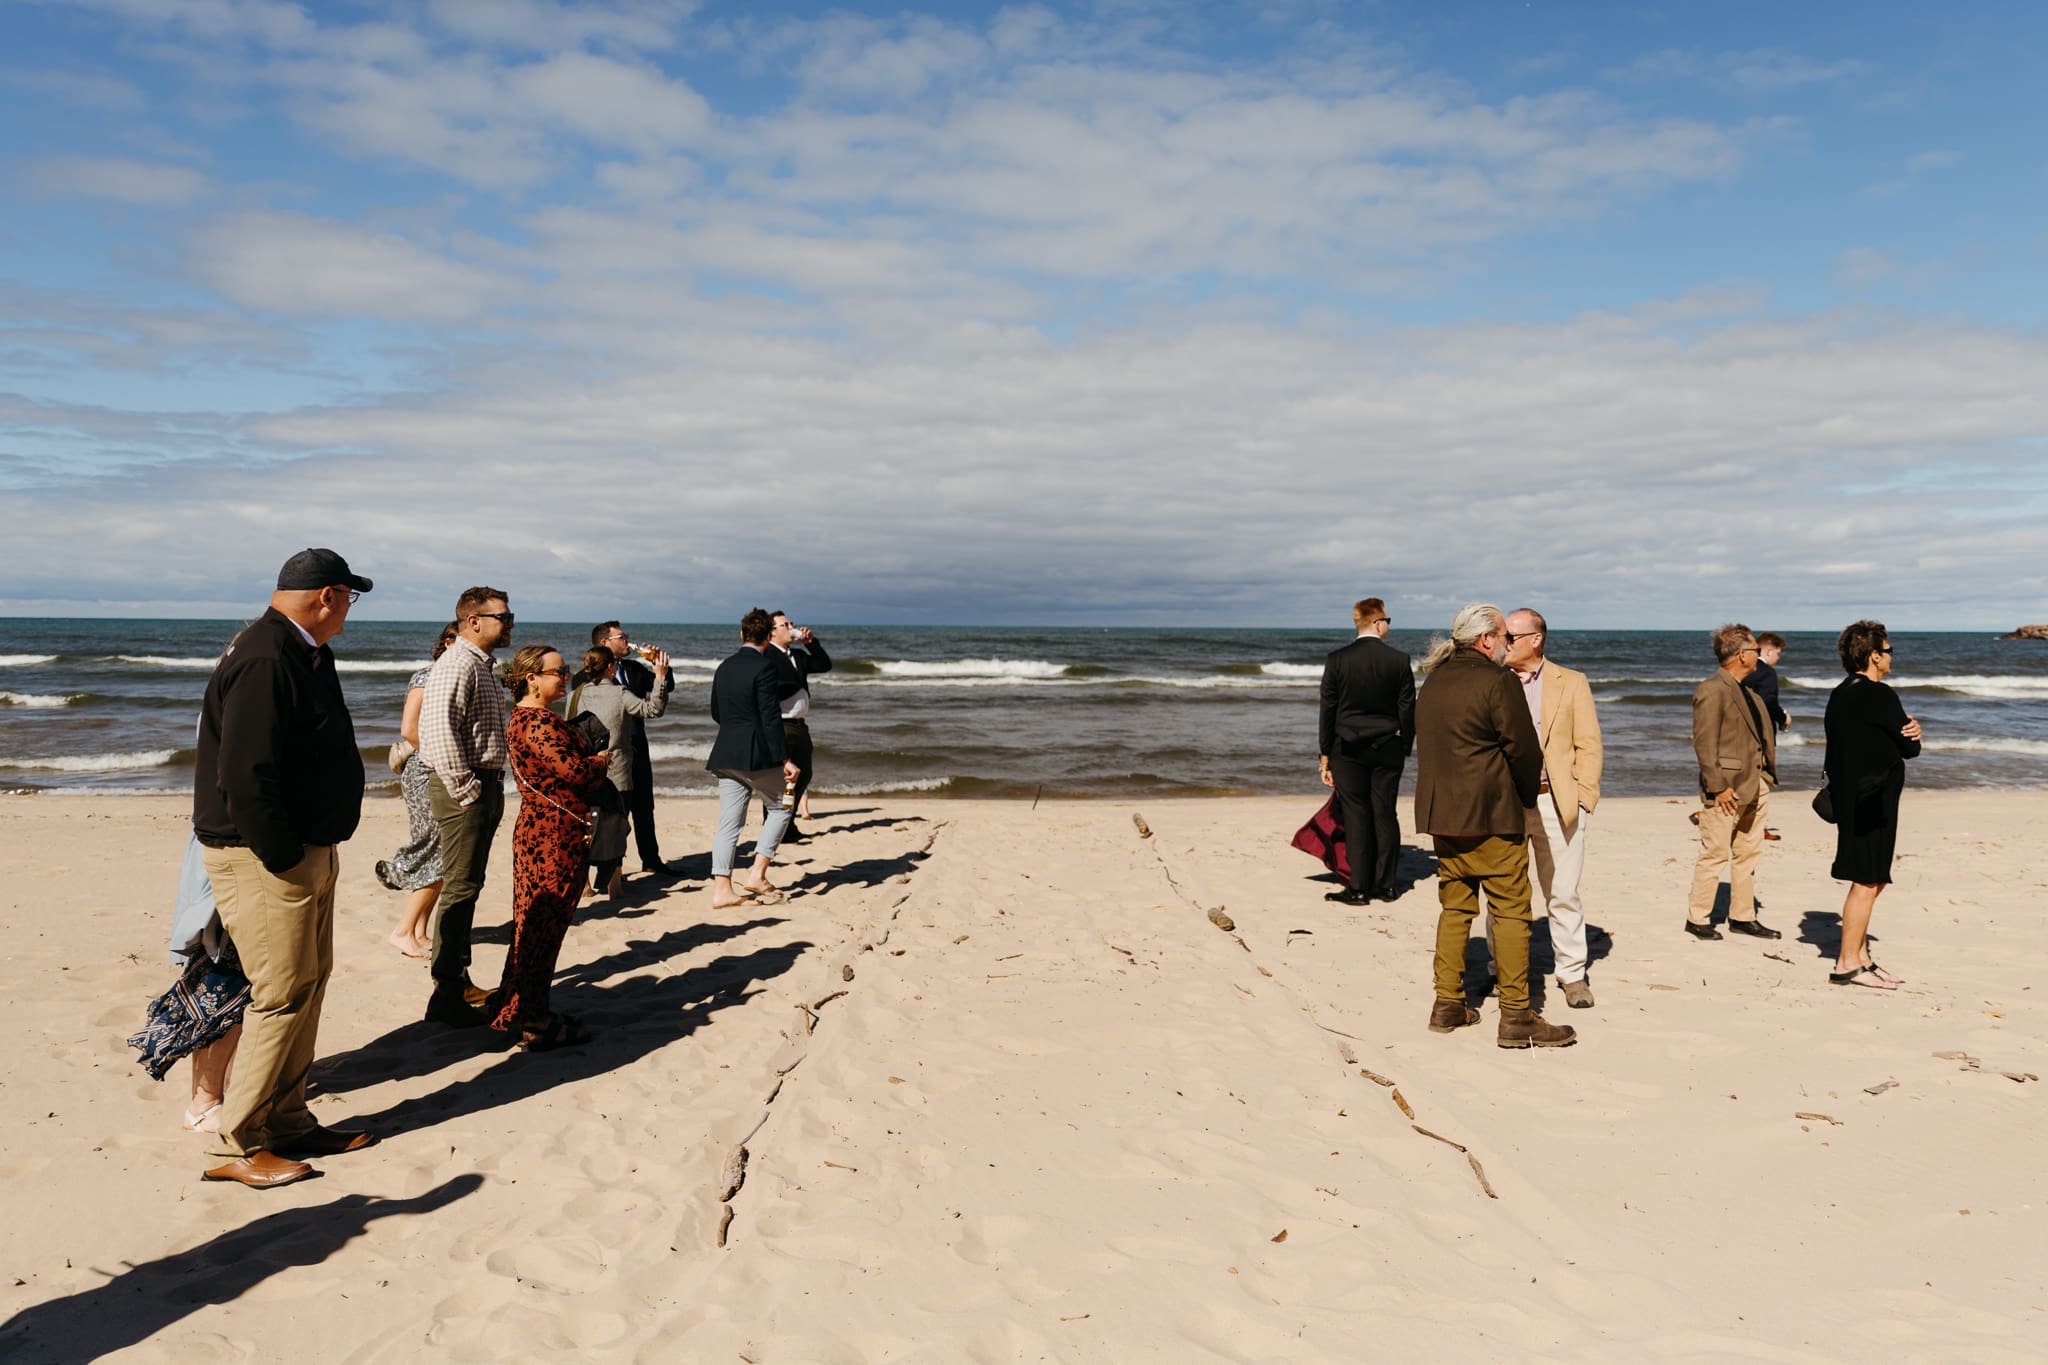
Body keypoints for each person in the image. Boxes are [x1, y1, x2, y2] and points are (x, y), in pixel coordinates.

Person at [189, 547, 379, 1188]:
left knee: (309, 981)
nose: (351, 609)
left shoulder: (303, 651)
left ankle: (290, 1118)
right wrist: (283, 855)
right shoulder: (267, 655)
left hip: (305, 848)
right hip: (266, 856)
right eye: (349, 596)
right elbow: (244, 773)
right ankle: (240, 1143)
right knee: (277, 995)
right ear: (326, 595)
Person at [1413, 603, 1574, 1048]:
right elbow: (1524, 751)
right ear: (1486, 640)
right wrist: (1524, 800)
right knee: (1511, 913)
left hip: (1443, 817)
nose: (1508, 644)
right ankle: (1517, 1015)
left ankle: (1447, 1004)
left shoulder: (1434, 680)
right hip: (1491, 817)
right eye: (1504, 637)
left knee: (1455, 909)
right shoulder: (1498, 680)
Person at [493, 645, 611, 1049]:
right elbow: (575, 772)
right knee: (543, 930)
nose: (565, 677)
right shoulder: (539, 723)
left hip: (544, 830)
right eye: (558, 672)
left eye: (565, 672)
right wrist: (601, 761)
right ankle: (536, 1021)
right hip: (552, 837)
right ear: (532, 678)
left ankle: (524, 1009)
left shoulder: (527, 719)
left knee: (533, 927)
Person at [419, 587, 514, 1026]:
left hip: (482, 783)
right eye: (504, 616)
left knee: (468, 885)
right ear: (474, 620)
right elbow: (439, 732)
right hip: (466, 787)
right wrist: (468, 790)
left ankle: (458, 980)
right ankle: (446, 992)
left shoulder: (479, 666)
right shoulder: (456, 664)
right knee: (459, 888)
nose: (510, 623)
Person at [1501, 609, 1604, 1009]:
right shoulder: (1494, 680)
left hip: (1556, 800)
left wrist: (1584, 795)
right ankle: (1499, 967)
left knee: (1562, 892)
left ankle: (1572, 974)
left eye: (1511, 636)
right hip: (1505, 801)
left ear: (1536, 639)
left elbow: (1589, 743)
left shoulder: (1571, 681)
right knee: (1506, 892)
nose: (1503, 643)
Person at [1822, 620, 1922, 990]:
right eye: (1889, 650)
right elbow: (1910, 747)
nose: (1892, 657)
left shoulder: (1840, 692)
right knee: (1867, 881)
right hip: (1872, 800)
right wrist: (1914, 730)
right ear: (1874, 655)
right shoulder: (1879, 694)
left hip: (1853, 798)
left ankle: (1861, 957)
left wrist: (1906, 731)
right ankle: (1847, 963)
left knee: (1872, 878)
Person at [128, 828, 246, 1135]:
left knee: (220, 983)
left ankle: (210, 1098)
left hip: (225, 844)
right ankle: (204, 1104)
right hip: (232, 851)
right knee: (223, 984)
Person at [1685, 624, 1781, 941]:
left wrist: (1765, 775)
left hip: (1755, 783)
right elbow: (1704, 742)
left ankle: (1742, 916)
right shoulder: (1712, 690)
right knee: (1714, 853)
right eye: (1755, 650)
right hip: (1726, 789)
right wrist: (1718, 786)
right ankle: (1698, 918)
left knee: (1748, 853)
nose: (1758, 656)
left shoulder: (1749, 693)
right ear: (1742, 655)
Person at [1316, 597, 1415, 904]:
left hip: (1347, 747)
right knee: (1385, 813)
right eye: (1387, 621)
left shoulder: (1337, 660)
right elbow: (1407, 708)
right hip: (1388, 747)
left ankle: (1359, 887)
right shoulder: (1399, 660)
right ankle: (1386, 885)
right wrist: (1404, 745)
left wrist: (1324, 755)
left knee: (1356, 814)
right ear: (1377, 622)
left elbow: (1328, 709)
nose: (1387, 625)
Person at [707, 608, 802, 908]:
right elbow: (771, 718)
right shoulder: (765, 668)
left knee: (729, 823)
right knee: (782, 806)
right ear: (767, 636)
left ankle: (722, 889)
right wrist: (784, 758)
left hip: (725, 751)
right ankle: (757, 874)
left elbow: (716, 712)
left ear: (742, 634)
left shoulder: (724, 667)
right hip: (755, 754)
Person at [376, 622, 458, 957]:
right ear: (449, 643)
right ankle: (402, 930)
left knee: (439, 851)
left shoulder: (452, 677)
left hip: (440, 771)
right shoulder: (428, 676)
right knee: (434, 852)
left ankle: (419, 931)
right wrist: (444, 759)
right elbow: (409, 728)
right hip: (426, 772)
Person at [569, 643, 670, 897]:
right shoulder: (620, 693)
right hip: (617, 770)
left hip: (584, 770)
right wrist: (659, 678)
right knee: (615, 827)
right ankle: (615, 885)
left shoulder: (575, 695)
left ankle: (586, 885)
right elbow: (653, 709)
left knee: (585, 826)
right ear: (611, 668)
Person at [592, 621, 678, 876]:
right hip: (610, 753)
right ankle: (606, 868)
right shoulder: (588, 676)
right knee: (613, 810)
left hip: (638, 747)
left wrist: (660, 666)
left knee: (644, 806)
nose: (627, 640)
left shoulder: (634, 668)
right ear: (604, 643)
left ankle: (651, 860)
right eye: (621, 636)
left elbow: (665, 686)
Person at [768, 610, 832, 842]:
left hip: (800, 724)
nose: (791, 626)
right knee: (780, 779)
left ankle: (788, 822)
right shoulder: (767, 656)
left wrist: (811, 643)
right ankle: (775, 826)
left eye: (791, 623)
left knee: (803, 776)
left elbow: (825, 665)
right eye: (785, 624)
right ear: (772, 632)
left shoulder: (798, 655)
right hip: (781, 724)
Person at [1744, 631, 1792, 841]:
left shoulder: (1745, 670)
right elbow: (1767, 701)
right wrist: (1783, 717)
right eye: (1778, 653)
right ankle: (1758, 826)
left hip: (1740, 732)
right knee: (1760, 780)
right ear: (1769, 651)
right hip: (1759, 734)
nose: (1779, 658)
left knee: (1742, 779)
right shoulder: (1767, 673)